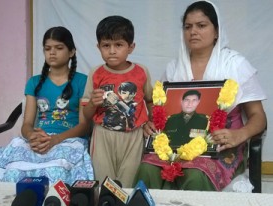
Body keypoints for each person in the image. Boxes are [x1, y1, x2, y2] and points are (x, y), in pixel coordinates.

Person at [134, 0, 267, 191]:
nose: (193, 31)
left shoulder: (235, 65)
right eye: (188, 27)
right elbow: (161, 112)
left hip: (221, 145)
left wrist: (240, 134)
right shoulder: (174, 68)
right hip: (176, 143)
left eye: (201, 25)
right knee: (147, 169)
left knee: (195, 174)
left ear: (217, 31)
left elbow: (258, 116)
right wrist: (151, 124)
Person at [0, 26, 94, 185]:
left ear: (71, 52)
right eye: (47, 48)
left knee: (55, 172)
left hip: (68, 139)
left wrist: (55, 139)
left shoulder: (82, 81)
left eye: (59, 48)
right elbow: (27, 124)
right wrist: (32, 136)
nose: (52, 52)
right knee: (12, 170)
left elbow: (84, 125)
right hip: (39, 138)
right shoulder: (34, 82)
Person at [82, 15, 153, 188]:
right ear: (98, 47)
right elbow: (86, 113)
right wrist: (93, 103)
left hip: (134, 136)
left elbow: (150, 101)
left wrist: (150, 121)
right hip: (103, 136)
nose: (112, 51)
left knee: (128, 184)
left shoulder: (141, 71)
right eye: (106, 45)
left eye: (118, 45)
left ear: (131, 47)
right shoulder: (95, 73)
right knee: (104, 184)